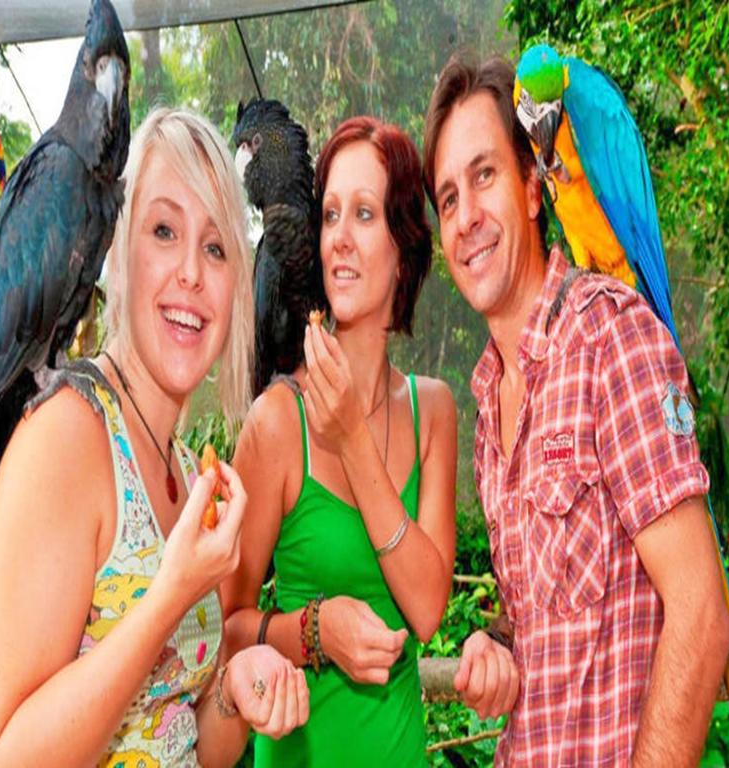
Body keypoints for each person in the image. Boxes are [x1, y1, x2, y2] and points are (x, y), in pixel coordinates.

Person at [0, 108, 309, 768]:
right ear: (118, 254)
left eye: (215, 248)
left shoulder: (187, 466)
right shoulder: (67, 438)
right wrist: (171, 594)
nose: (191, 273)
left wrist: (233, 690)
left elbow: (188, 742)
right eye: (163, 231)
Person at [422, 55, 729, 766]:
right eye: (448, 198)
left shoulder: (611, 337)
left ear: (534, 188)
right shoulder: (488, 402)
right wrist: (495, 645)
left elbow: (702, 612)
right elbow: (547, 615)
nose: (467, 218)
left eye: (484, 176)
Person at [223, 116, 457, 766]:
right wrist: (314, 633)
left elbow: (427, 609)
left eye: (364, 214)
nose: (340, 239)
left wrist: (352, 436)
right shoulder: (276, 421)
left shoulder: (433, 409)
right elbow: (225, 632)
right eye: (330, 215)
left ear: (404, 248)